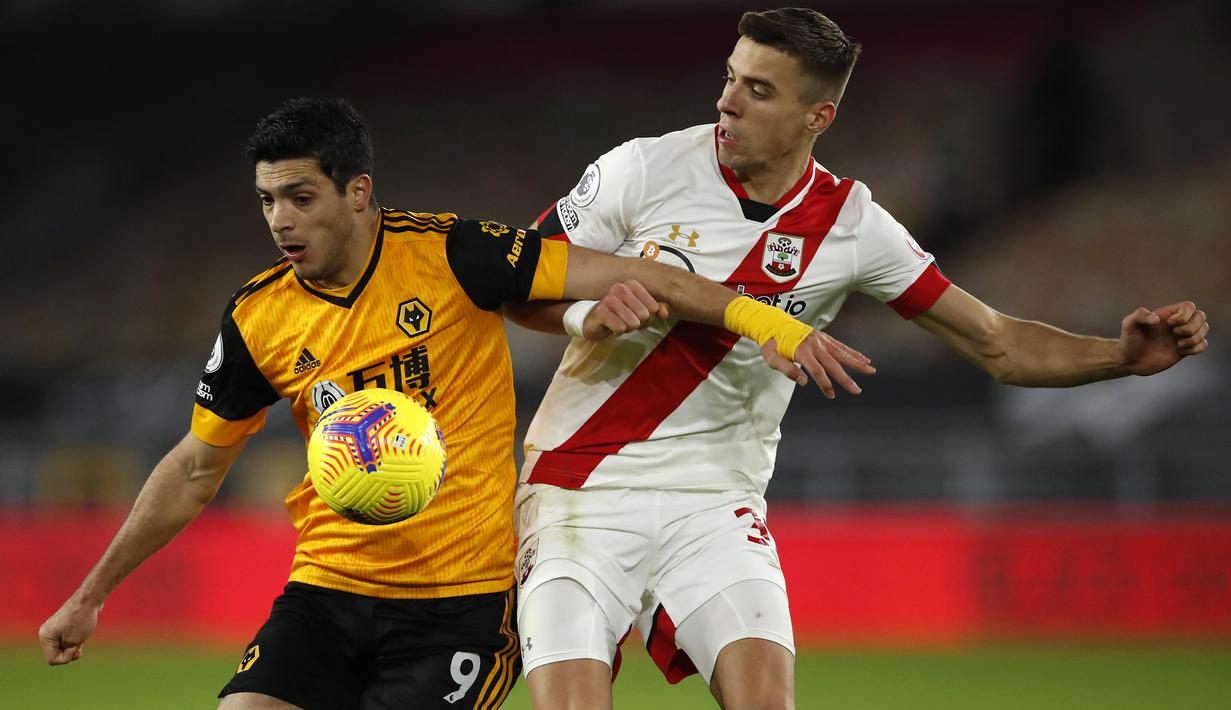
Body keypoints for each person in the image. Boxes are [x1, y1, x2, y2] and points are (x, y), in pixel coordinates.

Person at [36, 97, 872, 710]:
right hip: (327, 590)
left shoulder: (454, 254)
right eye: (267, 201)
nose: (280, 221)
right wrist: (90, 593)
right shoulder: (259, 317)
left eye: (300, 197)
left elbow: (634, 273)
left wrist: (767, 322)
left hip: (462, 605)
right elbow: (195, 467)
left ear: (357, 192)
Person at [505, 8, 1211, 710]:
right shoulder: (642, 169)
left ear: (817, 117)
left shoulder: (851, 226)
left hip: (714, 503)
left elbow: (997, 341)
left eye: (758, 90)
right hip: (578, 489)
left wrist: (1119, 357)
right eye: (730, 78)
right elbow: (516, 285)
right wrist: (582, 314)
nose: (727, 102)